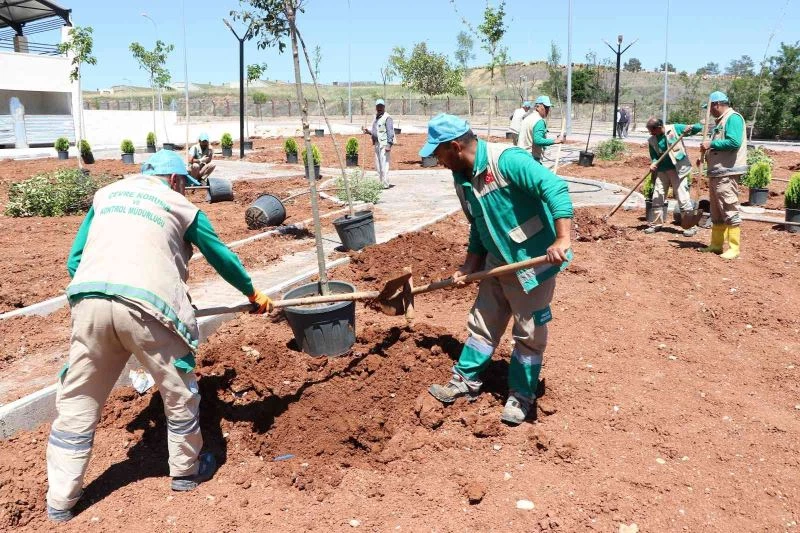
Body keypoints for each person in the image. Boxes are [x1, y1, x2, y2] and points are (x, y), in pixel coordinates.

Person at [45, 150, 273, 523]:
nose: (185, 189)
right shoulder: (179, 205)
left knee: (78, 398)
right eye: (184, 183)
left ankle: (61, 500)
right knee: (178, 390)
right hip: (148, 308)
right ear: (174, 180)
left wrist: (102, 296)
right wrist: (252, 293)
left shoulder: (108, 194)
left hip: (89, 300)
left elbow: (75, 260)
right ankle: (185, 471)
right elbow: (220, 255)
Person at [420, 114, 573, 426]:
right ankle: (466, 380)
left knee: (529, 332)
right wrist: (469, 266)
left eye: (438, 153)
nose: (437, 160)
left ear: (454, 146)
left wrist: (562, 238)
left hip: (532, 261)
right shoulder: (462, 177)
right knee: (483, 322)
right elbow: (478, 224)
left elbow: (554, 187)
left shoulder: (506, 160)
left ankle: (521, 394)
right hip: (496, 262)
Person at [699, 91, 747, 259]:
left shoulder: (733, 118)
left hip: (727, 172)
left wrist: (711, 144)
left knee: (728, 207)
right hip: (717, 171)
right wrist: (705, 157)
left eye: (710, 108)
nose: (710, 111)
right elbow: (717, 146)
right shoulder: (720, 121)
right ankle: (716, 245)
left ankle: (734, 248)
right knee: (716, 211)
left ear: (717, 104)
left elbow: (734, 142)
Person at [644, 117, 702, 237]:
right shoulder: (652, 140)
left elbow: (698, 128)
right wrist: (653, 163)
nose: (651, 133)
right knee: (657, 196)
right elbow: (654, 156)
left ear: (659, 127)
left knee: (682, 197)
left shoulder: (674, 129)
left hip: (678, 169)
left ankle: (691, 226)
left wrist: (690, 127)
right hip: (662, 171)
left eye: (652, 130)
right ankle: (656, 224)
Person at [517, 95, 564, 162]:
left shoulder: (528, 118)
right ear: (537, 107)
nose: (548, 110)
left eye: (548, 107)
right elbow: (538, 140)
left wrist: (544, 148)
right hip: (531, 159)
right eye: (545, 107)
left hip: (520, 156)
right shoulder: (539, 121)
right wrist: (555, 141)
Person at [362, 99, 395, 189]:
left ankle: (385, 183)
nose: (379, 108)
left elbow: (390, 132)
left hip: (384, 144)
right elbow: (375, 131)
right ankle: (380, 182)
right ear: (376, 107)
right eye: (378, 106)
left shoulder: (387, 118)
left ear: (384, 107)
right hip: (377, 143)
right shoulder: (376, 117)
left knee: (384, 164)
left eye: (381, 106)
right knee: (378, 164)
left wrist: (389, 144)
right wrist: (368, 132)